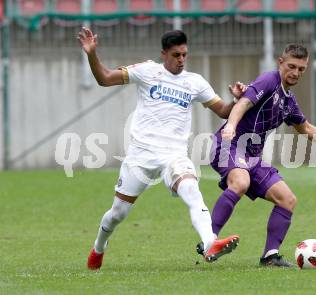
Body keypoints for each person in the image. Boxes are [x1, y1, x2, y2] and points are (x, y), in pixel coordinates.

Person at [77, 27, 245, 270]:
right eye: (176, 55)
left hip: (173, 155)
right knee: (117, 214)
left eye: (184, 55)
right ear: (163, 54)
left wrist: (237, 99)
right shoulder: (147, 71)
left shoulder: (194, 82)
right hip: (141, 155)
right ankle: (98, 248)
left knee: (191, 189)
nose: (181, 60)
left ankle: (210, 242)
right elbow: (104, 78)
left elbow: (222, 111)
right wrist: (92, 54)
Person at [206, 44, 316, 267]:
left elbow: (307, 129)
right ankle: (208, 239)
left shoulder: (288, 101)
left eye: (301, 69)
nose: (295, 73)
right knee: (240, 181)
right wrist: (230, 125)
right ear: (280, 62)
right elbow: (244, 103)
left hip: (252, 156)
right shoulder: (268, 80)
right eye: (291, 66)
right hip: (228, 145)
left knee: (287, 200)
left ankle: (270, 255)